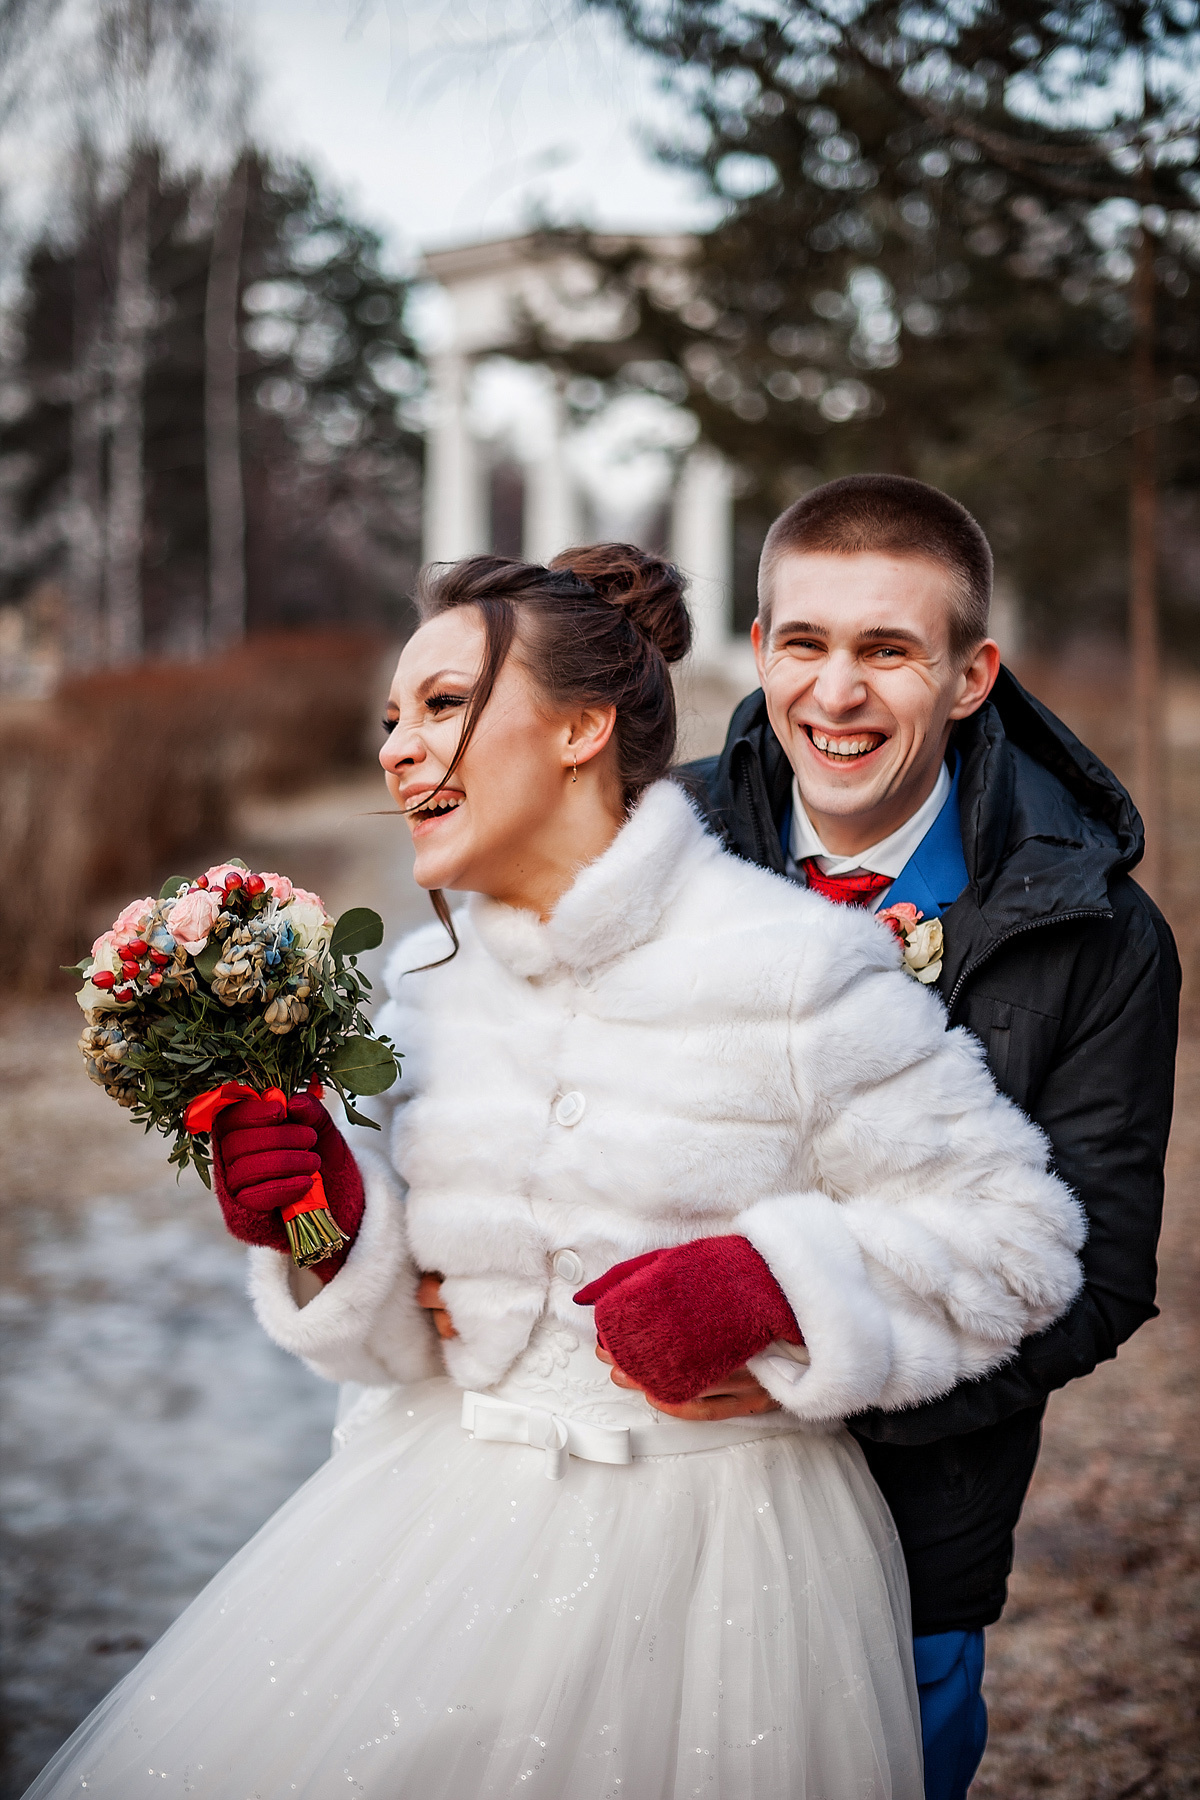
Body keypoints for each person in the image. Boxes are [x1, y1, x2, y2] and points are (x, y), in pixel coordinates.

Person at [26, 543, 1086, 1800]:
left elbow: (1020, 1233)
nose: (398, 749)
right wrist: (323, 1223)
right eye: (392, 719)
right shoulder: (426, 992)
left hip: (723, 1579)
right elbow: (412, 1333)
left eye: (442, 705)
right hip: (431, 1540)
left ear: (583, 730)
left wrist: (772, 1289)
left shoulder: (796, 967)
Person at [649, 475, 1179, 1800]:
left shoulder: (1100, 933)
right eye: (805, 643)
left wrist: (819, 1362)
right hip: (641, 1493)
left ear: (968, 676)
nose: (836, 694)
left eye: (887, 649)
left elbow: (1099, 1273)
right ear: (760, 648)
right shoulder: (645, 852)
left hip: (915, 1536)